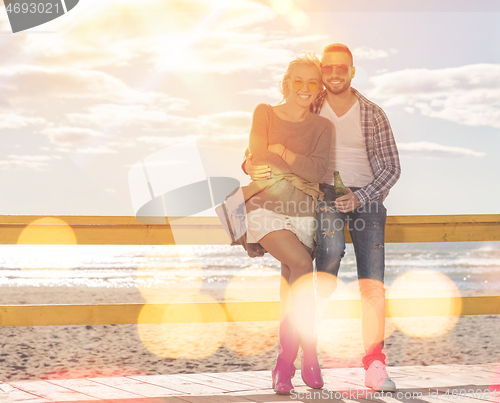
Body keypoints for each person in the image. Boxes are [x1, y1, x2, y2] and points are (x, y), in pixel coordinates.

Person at [244, 43, 401, 392]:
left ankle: (372, 363)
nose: (331, 75)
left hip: (363, 196)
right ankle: (307, 346)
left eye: (340, 69)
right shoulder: (307, 103)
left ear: (352, 71)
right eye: (325, 70)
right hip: (316, 196)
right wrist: (256, 161)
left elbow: (390, 168)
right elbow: (258, 152)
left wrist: (360, 196)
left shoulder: (371, 113)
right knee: (324, 258)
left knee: (371, 282)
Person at [229, 52, 334, 394]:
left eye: (312, 82)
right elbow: (257, 159)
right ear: (287, 83)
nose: (304, 88)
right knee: (302, 263)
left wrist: (284, 155)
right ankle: (302, 358)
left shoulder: (323, 127)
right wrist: (279, 161)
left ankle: (285, 366)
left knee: (293, 285)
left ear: (319, 89)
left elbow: (319, 171)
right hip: (264, 207)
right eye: (298, 81)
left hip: (304, 212)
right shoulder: (265, 112)